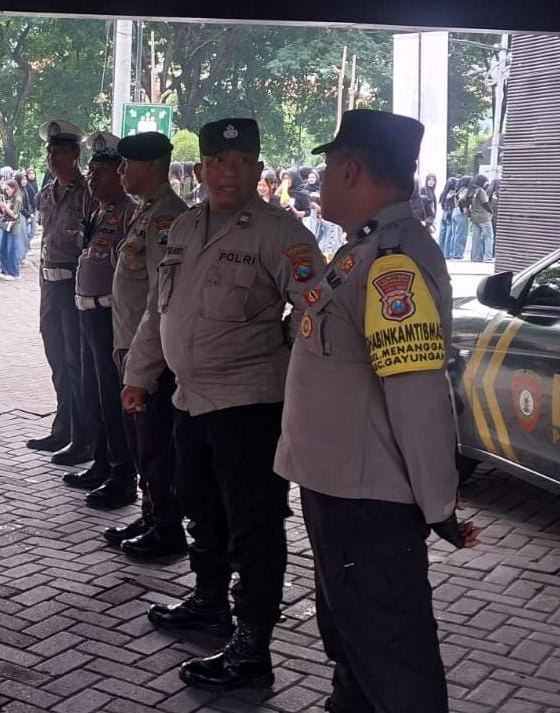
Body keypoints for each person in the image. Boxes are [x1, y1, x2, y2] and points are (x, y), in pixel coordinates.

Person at [276, 108, 481, 713]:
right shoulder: (358, 252)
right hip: (340, 493)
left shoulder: (393, 263)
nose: (320, 179)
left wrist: (438, 502)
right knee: (353, 647)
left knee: (394, 663)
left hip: (369, 505)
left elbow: (418, 397)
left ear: (353, 168)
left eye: (328, 166)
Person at [121, 118, 325, 691]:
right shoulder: (184, 228)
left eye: (239, 162)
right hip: (191, 400)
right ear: (201, 168)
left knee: (253, 525)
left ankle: (252, 643)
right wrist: (140, 374)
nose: (226, 172)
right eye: (216, 162)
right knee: (200, 509)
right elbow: (159, 312)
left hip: (250, 405)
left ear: (258, 169)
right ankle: (209, 601)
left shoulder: (280, 234)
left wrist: (278, 359)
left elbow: (317, 312)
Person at [105, 131, 189, 560]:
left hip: (149, 352)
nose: (120, 172)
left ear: (152, 166)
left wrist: (140, 359)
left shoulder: (167, 218)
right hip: (131, 345)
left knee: (155, 441)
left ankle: (166, 526)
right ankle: (150, 511)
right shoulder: (147, 212)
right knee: (140, 440)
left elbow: (161, 297)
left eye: (126, 164)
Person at [68, 132, 137, 510]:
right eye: (90, 174)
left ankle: (121, 473)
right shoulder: (99, 211)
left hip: (112, 314)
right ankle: (100, 461)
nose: (91, 181)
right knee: (93, 391)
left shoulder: (129, 212)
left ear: (119, 174)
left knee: (113, 396)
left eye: (99, 175)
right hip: (88, 310)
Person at [26, 121, 95, 465]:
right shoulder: (46, 193)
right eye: (49, 152)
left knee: (75, 361)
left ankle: (82, 437)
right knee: (56, 358)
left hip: (74, 285)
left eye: (59, 152)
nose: (52, 158)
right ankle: (63, 428)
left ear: (76, 156)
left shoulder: (88, 194)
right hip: (49, 285)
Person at [0, 179, 24, 280]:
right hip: (6, 225)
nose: (6, 191)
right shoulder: (10, 199)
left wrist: (5, 206)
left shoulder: (17, 199)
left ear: (13, 188)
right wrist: (0, 204)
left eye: (8, 189)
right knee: (3, 248)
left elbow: (14, 214)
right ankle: (5, 270)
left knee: (11, 249)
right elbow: (5, 212)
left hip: (14, 226)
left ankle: (14, 272)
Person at [468, 173, 494, 262]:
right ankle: (488, 256)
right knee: (488, 237)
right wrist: (491, 211)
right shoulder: (481, 191)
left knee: (476, 238)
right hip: (484, 217)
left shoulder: (473, 191)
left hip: (475, 217)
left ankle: (475, 257)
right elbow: (485, 203)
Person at [449, 175, 472, 260]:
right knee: (461, 235)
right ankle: (458, 254)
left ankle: (452, 253)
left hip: (455, 211)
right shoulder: (466, 190)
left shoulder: (458, 190)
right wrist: (464, 208)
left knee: (454, 234)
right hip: (461, 212)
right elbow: (462, 200)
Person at [436, 176, 458, 258]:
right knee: (449, 233)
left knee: (442, 233)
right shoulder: (452, 193)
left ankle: (440, 251)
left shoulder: (444, 193)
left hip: (444, 213)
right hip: (449, 212)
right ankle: (447, 253)